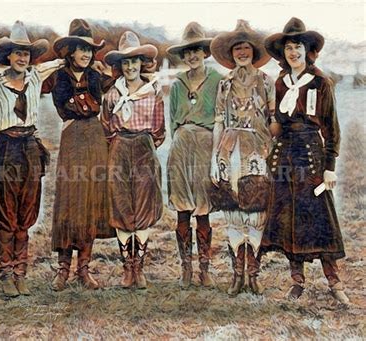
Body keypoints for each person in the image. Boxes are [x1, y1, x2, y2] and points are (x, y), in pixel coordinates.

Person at [261, 17, 349, 305]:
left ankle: (334, 283)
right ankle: (297, 281)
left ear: (307, 49)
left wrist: (329, 168)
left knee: (321, 219)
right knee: (288, 220)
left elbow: (332, 129)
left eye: (297, 46)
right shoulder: (280, 83)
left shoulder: (321, 82)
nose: (293, 52)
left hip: (311, 157)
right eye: (288, 47)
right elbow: (277, 127)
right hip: (285, 157)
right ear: (283, 53)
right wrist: (266, 125)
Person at [0, 21, 63, 297]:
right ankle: (6, 273)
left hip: (30, 146)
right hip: (5, 148)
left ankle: (21, 273)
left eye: (26, 53)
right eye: (17, 53)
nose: (21, 58)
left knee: (26, 212)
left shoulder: (35, 77)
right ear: (8, 55)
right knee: (6, 214)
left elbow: (60, 63)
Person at [41, 19, 115, 291]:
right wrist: (84, 104)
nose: (86, 54)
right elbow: (67, 106)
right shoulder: (60, 77)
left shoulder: (96, 76)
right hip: (71, 138)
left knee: (92, 199)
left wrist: (83, 102)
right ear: (70, 51)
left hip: (95, 138)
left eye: (89, 50)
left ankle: (84, 269)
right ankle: (63, 269)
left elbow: (93, 104)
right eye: (81, 49)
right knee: (70, 199)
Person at [210, 20, 274, 296]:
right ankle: (237, 274)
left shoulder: (266, 82)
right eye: (237, 49)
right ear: (232, 53)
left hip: (258, 149)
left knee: (257, 212)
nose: (242, 53)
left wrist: (270, 149)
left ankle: (254, 274)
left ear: (254, 51)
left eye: (246, 47)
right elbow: (217, 121)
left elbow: (273, 119)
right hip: (229, 148)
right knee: (233, 211)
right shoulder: (224, 84)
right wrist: (215, 157)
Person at [101, 31, 165, 289]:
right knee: (122, 204)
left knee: (144, 205)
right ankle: (127, 266)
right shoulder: (112, 94)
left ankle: (139, 265)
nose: (130, 67)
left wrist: (146, 145)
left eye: (134, 61)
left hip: (144, 147)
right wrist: (120, 143)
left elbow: (160, 129)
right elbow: (106, 125)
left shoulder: (153, 92)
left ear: (142, 63)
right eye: (125, 63)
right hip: (119, 147)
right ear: (120, 66)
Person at [166, 22, 223, 288]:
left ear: (205, 52)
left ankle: (205, 269)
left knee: (203, 208)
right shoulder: (177, 85)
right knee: (182, 208)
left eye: (197, 50)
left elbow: (222, 115)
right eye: (187, 52)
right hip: (181, 146)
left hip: (205, 145)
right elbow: (172, 122)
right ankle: (185, 269)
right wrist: (180, 138)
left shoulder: (216, 80)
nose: (192, 56)